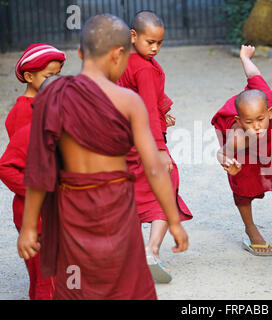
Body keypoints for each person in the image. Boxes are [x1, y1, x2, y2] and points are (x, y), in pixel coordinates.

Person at [16, 14, 188, 300]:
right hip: (117, 210)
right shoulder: (129, 101)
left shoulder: (53, 95)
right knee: (127, 286)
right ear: (119, 54)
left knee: (75, 285)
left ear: (81, 52)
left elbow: (39, 168)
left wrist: (29, 227)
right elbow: (155, 169)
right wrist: (173, 221)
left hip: (72, 211)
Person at [117, 10, 192, 282]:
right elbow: (147, 106)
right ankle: (151, 250)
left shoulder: (124, 60)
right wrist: (160, 148)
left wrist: (163, 114)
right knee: (166, 183)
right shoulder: (144, 68)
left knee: (133, 193)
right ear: (133, 36)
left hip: (125, 141)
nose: (155, 48)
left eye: (160, 43)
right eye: (150, 42)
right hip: (146, 142)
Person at [211, 45, 272, 256]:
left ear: (270, 112)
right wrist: (227, 162)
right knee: (243, 187)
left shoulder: (270, 100)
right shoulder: (240, 135)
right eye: (249, 122)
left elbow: (253, 74)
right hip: (246, 153)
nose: (257, 126)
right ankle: (250, 229)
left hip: (271, 144)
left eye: (261, 119)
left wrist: (244, 57)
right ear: (239, 120)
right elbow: (221, 152)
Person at [0, 44, 65, 300]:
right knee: (45, 278)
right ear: (29, 76)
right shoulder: (25, 114)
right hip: (35, 214)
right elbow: (11, 164)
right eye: (49, 77)